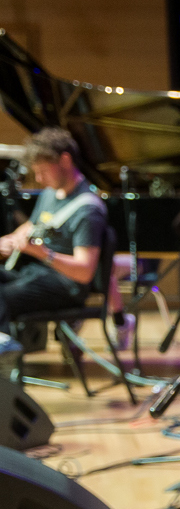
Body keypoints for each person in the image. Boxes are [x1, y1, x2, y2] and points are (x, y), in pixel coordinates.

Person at [0, 128, 106, 359]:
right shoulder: (50, 193)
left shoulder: (88, 209)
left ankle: (4, 365)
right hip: (36, 274)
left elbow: (85, 272)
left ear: (65, 160)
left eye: (43, 171)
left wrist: (44, 254)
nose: (38, 179)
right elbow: (31, 226)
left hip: (66, 286)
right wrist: (8, 241)